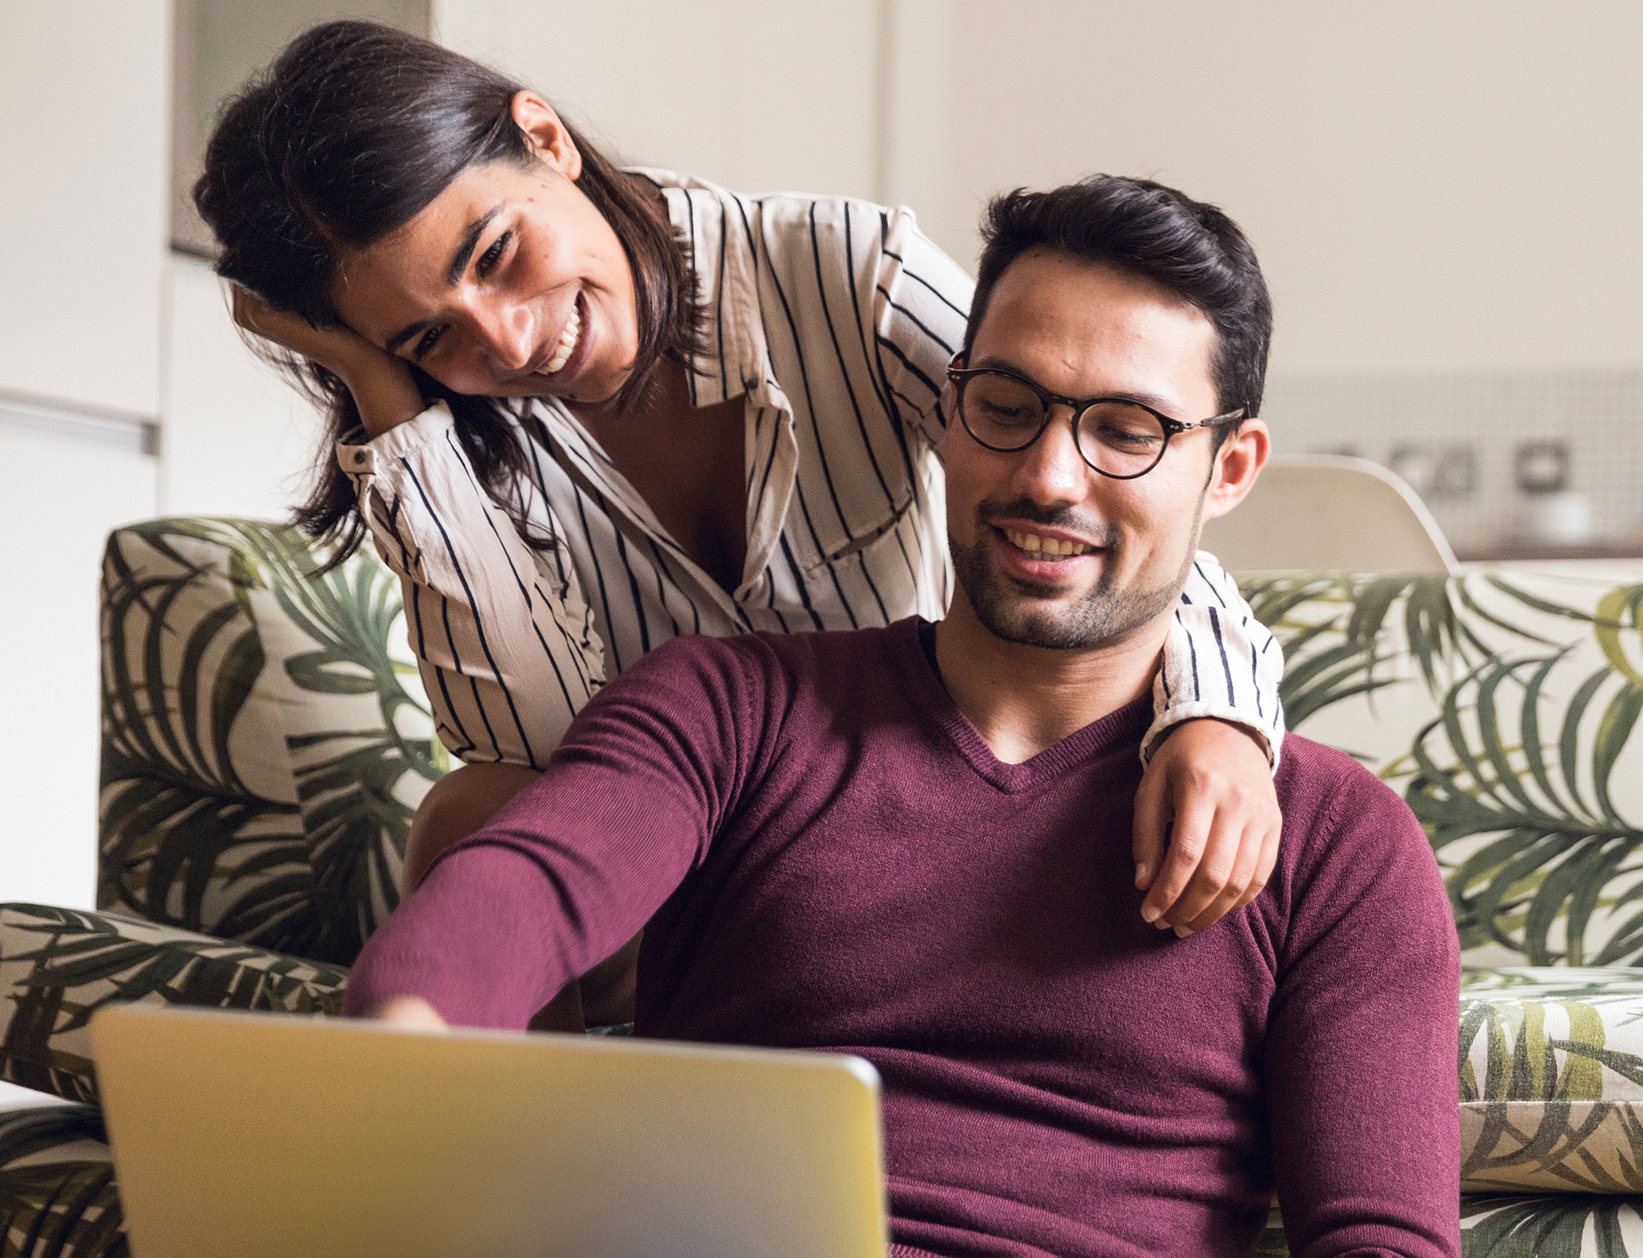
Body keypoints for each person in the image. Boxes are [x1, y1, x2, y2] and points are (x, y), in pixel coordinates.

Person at [346, 175, 1467, 1258]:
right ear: (945, 412)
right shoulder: (731, 709)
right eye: (1008, 406)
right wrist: (410, 1040)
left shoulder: (1336, 841)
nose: (1048, 476)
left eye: (1127, 430)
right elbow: (524, 886)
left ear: (1231, 464)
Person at [191, 22, 1287, 1024]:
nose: (513, 342)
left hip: (914, 811)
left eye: (496, 255)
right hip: (669, 854)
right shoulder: (469, 428)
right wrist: (388, 394)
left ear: (544, 137)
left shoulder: (841, 277)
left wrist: (1219, 721)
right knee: (475, 814)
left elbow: (1086, 476)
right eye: (429, 335)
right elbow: (536, 756)